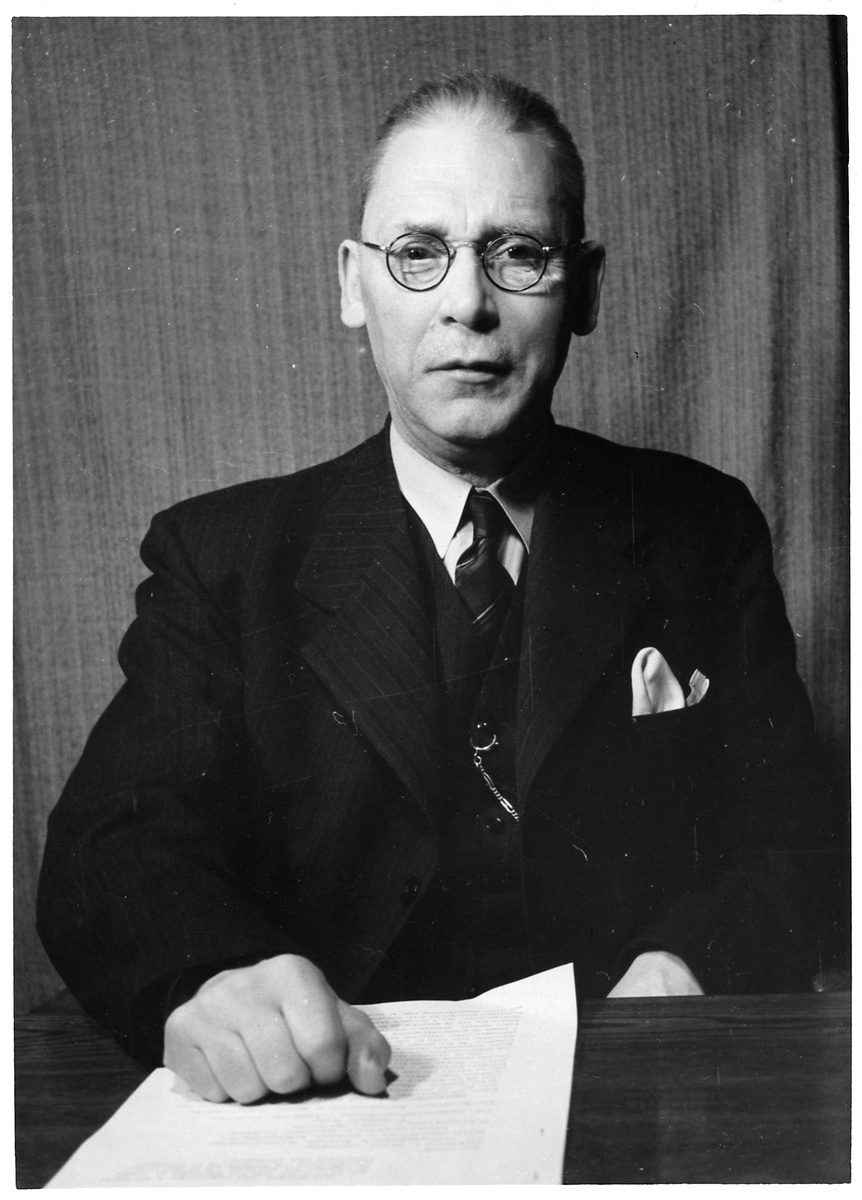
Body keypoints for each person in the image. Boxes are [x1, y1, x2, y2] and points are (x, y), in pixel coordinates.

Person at [37, 72, 842, 1107]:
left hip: (629, 1096)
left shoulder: (702, 528)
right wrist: (213, 978)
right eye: (418, 253)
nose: (467, 303)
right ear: (351, 285)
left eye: (520, 253)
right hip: (329, 1109)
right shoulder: (224, 556)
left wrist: (688, 964)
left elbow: (796, 837)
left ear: (586, 288)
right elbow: (113, 844)